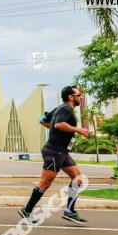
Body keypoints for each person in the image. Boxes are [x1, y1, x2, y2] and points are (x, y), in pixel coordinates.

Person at [19, 86, 90, 225]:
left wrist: (54, 129)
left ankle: (70, 211)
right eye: (78, 94)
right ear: (71, 96)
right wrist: (78, 130)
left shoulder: (59, 108)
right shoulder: (66, 109)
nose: (80, 97)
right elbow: (58, 125)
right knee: (45, 183)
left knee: (77, 179)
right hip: (54, 151)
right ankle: (27, 210)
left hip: (62, 151)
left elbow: (42, 119)